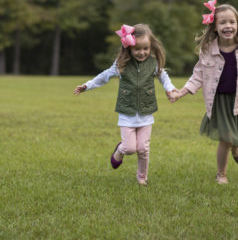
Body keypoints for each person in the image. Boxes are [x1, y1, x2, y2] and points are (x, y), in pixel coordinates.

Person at [169, 0, 238, 184]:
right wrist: (181, 92)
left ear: (237, 25)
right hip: (219, 102)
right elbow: (198, 75)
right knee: (225, 139)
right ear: (215, 27)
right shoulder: (208, 50)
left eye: (231, 22)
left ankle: (237, 148)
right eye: (222, 22)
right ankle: (221, 174)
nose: (228, 26)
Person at [74, 23, 177, 186]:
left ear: (151, 47)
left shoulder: (154, 63)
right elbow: (104, 76)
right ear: (128, 48)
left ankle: (142, 177)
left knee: (143, 148)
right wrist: (87, 85)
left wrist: (170, 89)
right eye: (137, 49)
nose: (142, 52)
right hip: (127, 113)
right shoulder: (121, 64)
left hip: (146, 111)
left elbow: (164, 77)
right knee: (130, 148)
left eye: (146, 48)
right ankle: (120, 150)